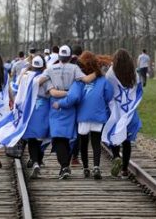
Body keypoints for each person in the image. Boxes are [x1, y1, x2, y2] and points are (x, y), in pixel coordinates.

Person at [0, 56, 52, 179]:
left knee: (32, 139)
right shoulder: (45, 78)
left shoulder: (25, 77)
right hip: (43, 111)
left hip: (28, 113)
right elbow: (49, 92)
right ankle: (38, 160)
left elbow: (19, 94)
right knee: (43, 138)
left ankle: (35, 162)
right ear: (43, 66)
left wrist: (16, 109)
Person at [53, 51, 113, 180]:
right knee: (97, 142)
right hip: (98, 115)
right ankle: (96, 166)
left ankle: (86, 167)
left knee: (84, 143)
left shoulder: (79, 80)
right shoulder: (103, 79)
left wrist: (60, 104)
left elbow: (75, 97)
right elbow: (109, 96)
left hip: (83, 116)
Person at [39, 45, 96, 179]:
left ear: (59, 56)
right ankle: (65, 165)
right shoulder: (75, 68)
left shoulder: (50, 69)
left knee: (57, 136)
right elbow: (87, 80)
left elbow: (39, 81)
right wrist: (98, 72)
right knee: (69, 136)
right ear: (71, 57)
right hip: (70, 104)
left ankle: (64, 166)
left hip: (55, 104)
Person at [102, 49, 143, 177]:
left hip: (114, 109)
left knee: (114, 133)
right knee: (126, 140)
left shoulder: (110, 74)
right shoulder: (134, 74)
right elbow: (138, 90)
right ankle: (125, 169)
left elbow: (108, 91)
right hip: (128, 110)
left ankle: (115, 156)